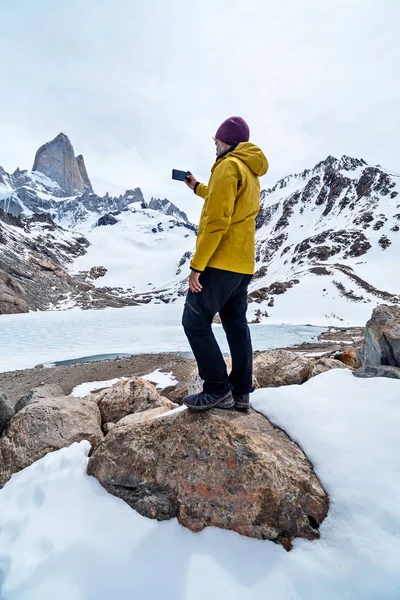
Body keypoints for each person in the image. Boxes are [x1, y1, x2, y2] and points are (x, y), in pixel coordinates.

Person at [182, 116, 268, 411]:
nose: (214, 144)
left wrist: (197, 265)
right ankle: (241, 390)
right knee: (235, 324)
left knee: (194, 321)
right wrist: (197, 187)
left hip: (219, 262)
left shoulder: (227, 166)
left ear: (227, 141)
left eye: (216, 140)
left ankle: (217, 387)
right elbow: (222, 198)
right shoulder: (249, 171)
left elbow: (218, 220)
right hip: (242, 265)